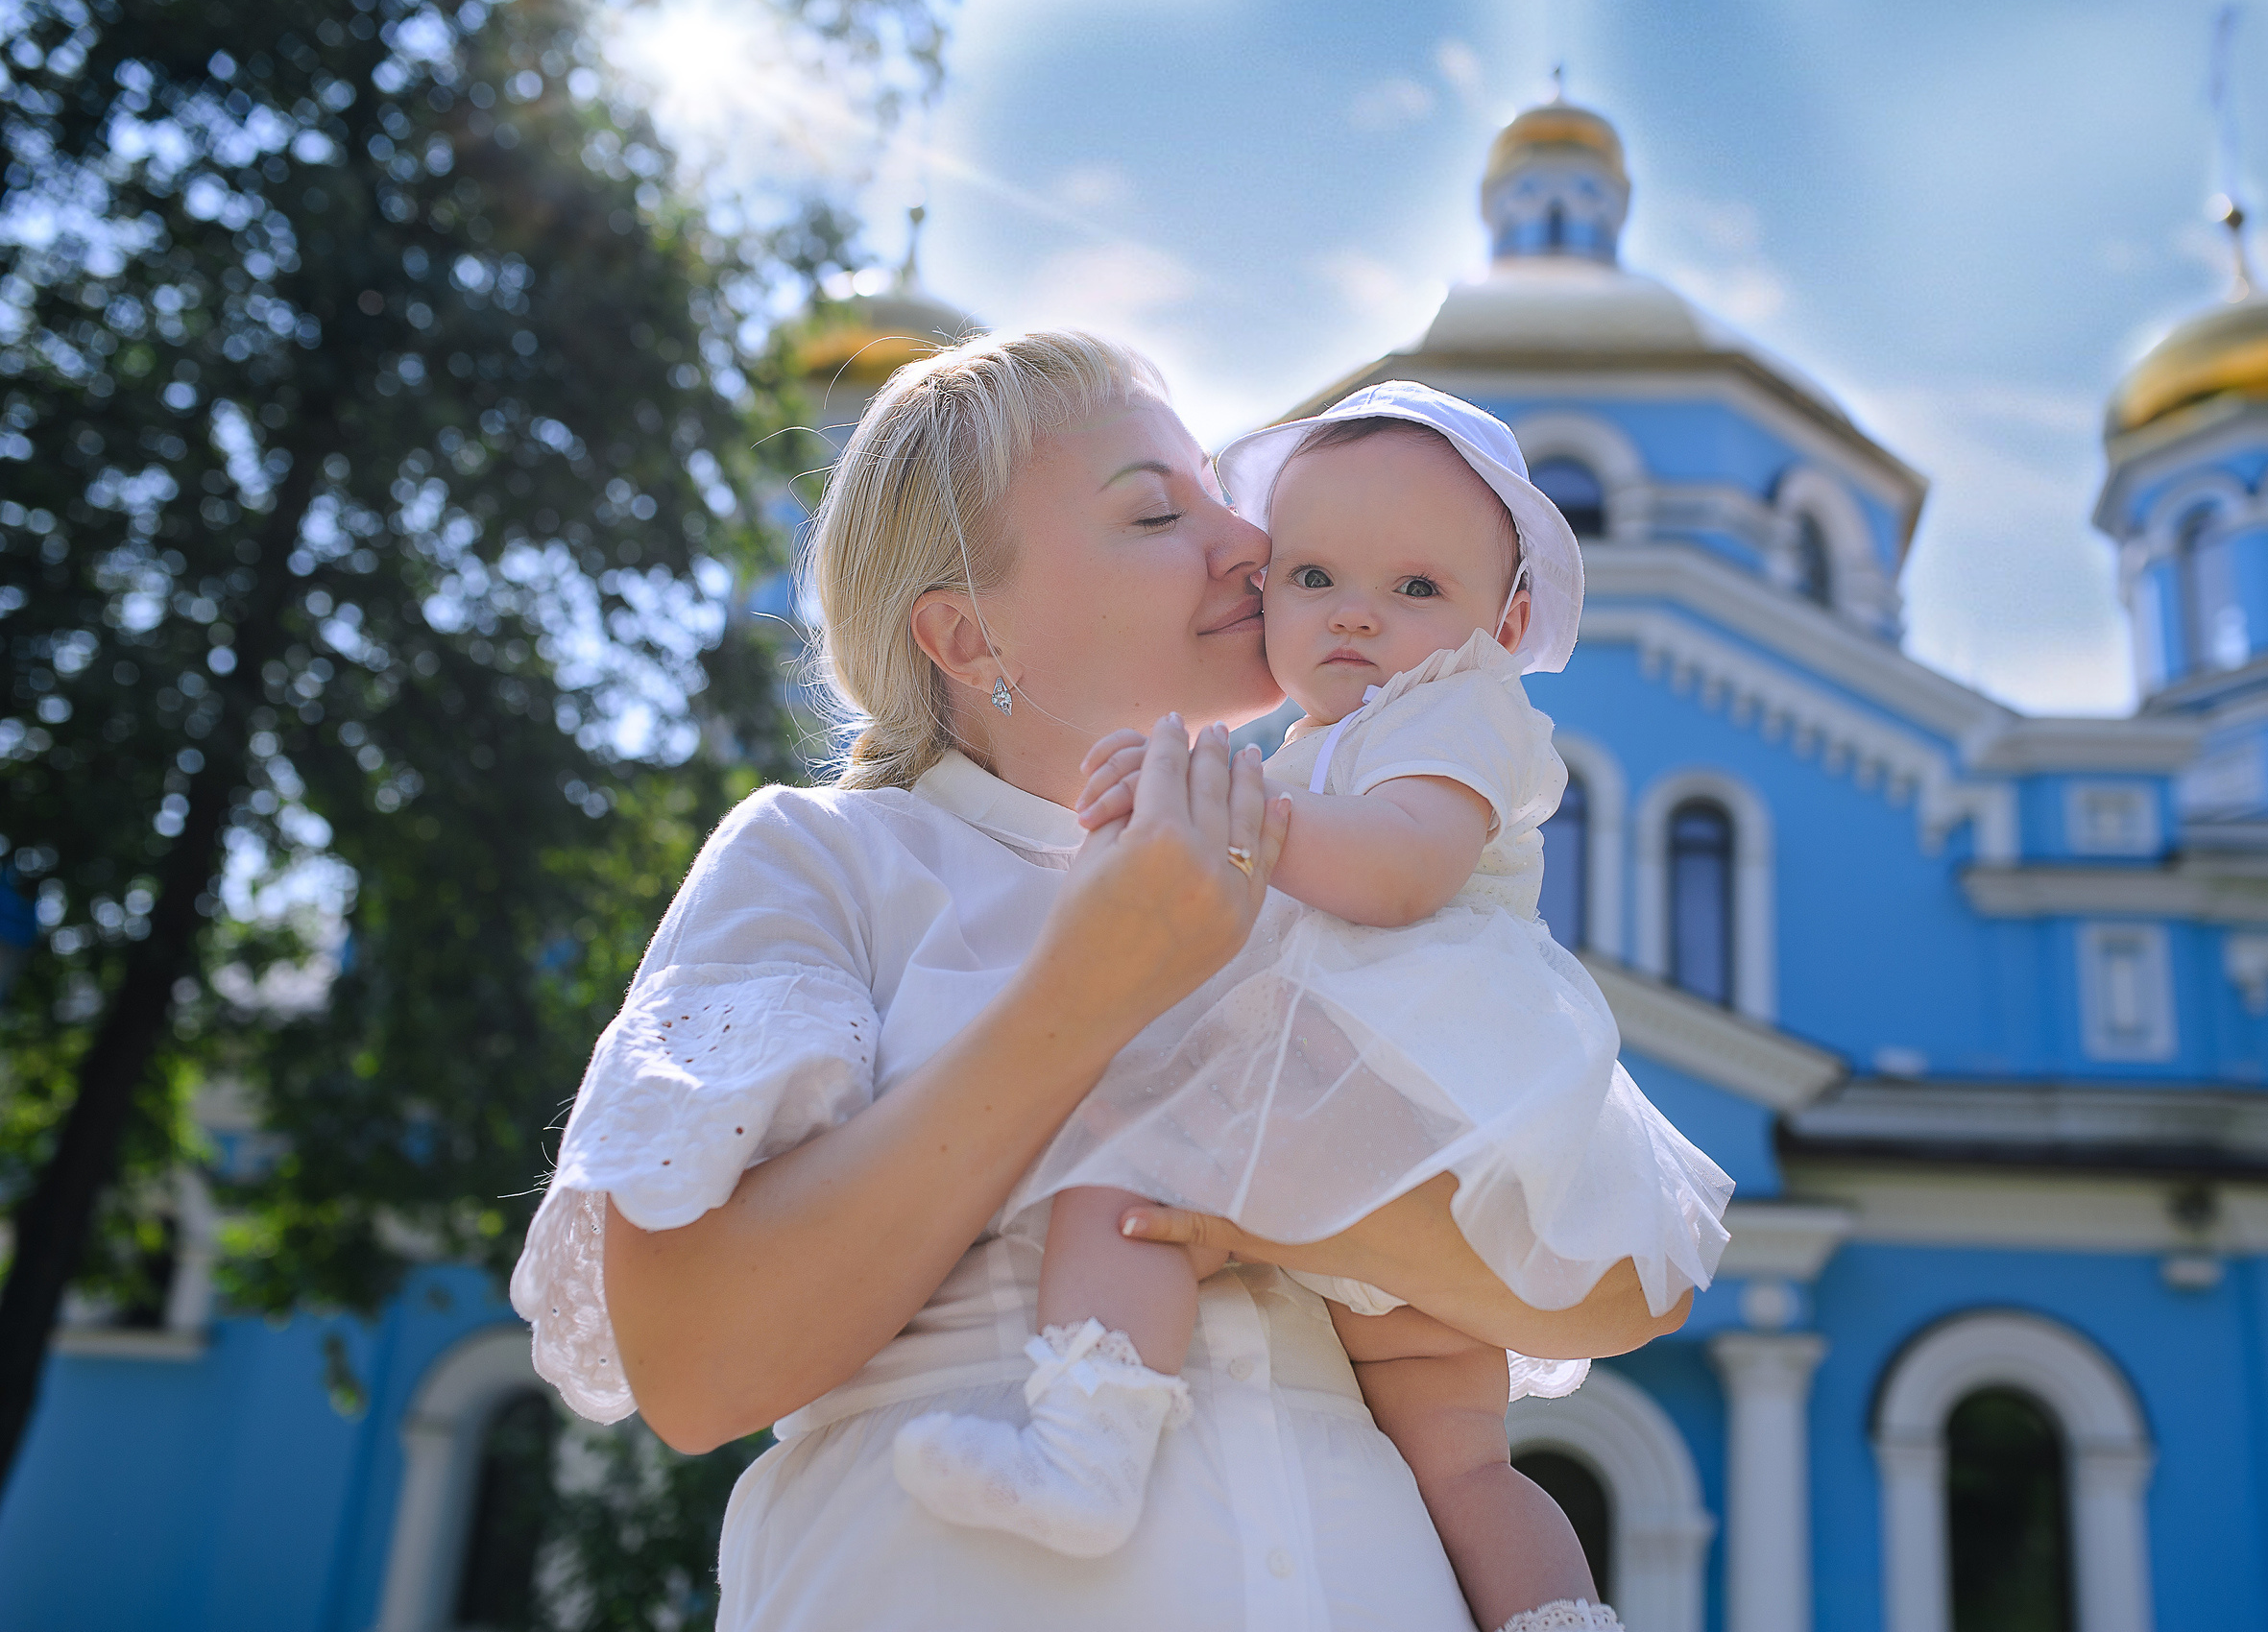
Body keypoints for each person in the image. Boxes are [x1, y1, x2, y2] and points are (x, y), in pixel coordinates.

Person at [509, 332, 1693, 1632]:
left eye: (1221, 496)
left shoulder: (1317, 881)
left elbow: (1626, 1287)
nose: (1246, 543)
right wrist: (1091, 986)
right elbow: (698, 1368)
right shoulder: (827, 863)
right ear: (970, 634)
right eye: (1157, 513)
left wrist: (1251, 1217)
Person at [889, 383, 1732, 1632]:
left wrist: (1233, 814)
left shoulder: (1459, 708)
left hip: (1430, 1089)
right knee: (1455, 1463)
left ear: (1503, 624)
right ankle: (1545, 1615)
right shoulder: (1303, 753)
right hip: (1374, 1126)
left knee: (1124, 1151)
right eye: (1314, 575)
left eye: (1416, 588)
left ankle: (1088, 1444)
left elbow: (1402, 872)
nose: (1355, 614)